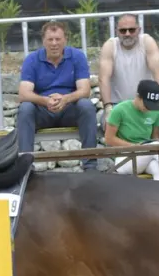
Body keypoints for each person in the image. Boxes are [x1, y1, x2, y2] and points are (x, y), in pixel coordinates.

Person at [15, 21, 98, 171]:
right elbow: (23, 94)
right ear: (43, 41)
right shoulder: (32, 59)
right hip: (43, 111)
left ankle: (90, 166)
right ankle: (25, 168)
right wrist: (45, 101)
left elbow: (85, 90)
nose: (54, 43)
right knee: (25, 108)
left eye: (58, 39)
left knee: (86, 105)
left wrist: (65, 99)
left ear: (65, 39)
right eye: (50, 39)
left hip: (69, 109)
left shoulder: (77, 56)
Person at [104, 80, 159, 178]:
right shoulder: (119, 110)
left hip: (147, 154)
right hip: (124, 157)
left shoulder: (157, 112)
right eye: (147, 105)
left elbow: (155, 137)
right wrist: (134, 147)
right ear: (138, 97)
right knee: (156, 147)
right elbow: (109, 138)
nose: (149, 109)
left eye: (152, 106)